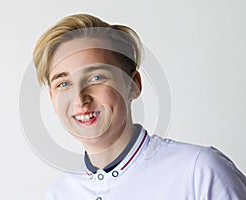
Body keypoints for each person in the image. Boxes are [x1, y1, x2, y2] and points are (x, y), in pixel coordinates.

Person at [32, 13, 246, 200]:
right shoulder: (59, 194)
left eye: (96, 77)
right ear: (53, 99)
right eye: (63, 83)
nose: (80, 98)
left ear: (134, 85)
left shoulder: (199, 171)